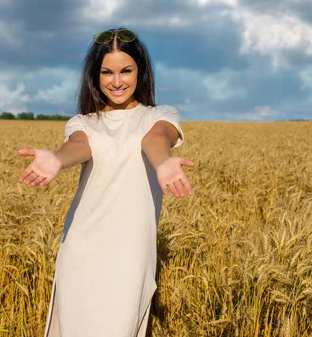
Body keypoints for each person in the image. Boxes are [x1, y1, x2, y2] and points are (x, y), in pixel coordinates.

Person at [18, 27, 194, 337]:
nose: (116, 81)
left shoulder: (160, 116)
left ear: (141, 72)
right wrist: (58, 160)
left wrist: (163, 162)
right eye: (107, 72)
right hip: (81, 248)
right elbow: (79, 145)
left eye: (126, 70)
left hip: (131, 253)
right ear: (95, 76)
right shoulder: (85, 121)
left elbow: (154, 138)